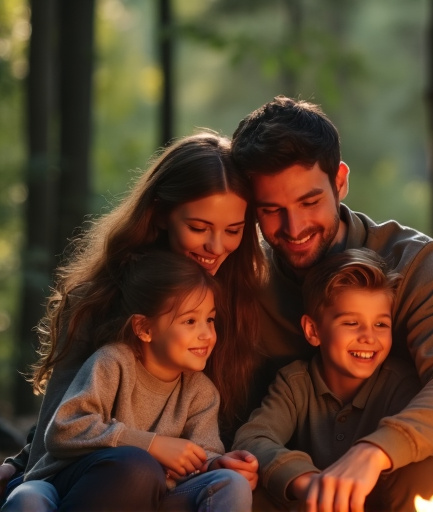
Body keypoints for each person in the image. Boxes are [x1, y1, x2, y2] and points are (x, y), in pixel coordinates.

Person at [230, 96, 433, 511]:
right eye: (272, 210)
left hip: (411, 474)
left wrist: (375, 451)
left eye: (310, 202)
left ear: (340, 181)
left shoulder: (414, 263)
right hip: (304, 491)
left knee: (423, 480)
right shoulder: (246, 281)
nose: (293, 229)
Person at [0, 131, 265, 511]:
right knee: (132, 468)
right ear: (160, 214)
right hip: (89, 478)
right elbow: (61, 422)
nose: (216, 246)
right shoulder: (100, 300)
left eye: (234, 230)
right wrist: (18, 465)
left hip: (169, 486)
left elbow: (206, 445)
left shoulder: (241, 305)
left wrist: (220, 463)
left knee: (223, 482)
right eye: (199, 227)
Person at [8, 251, 257, 512]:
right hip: (68, 484)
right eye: (190, 321)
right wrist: (151, 445)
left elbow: (203, 455)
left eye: (210, 319)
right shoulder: (114, 362)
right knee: (29, 499)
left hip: (152, 494)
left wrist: (219, 464)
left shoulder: (200, 391)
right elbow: (64, 430)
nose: (206, 334)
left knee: (232, 483)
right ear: (145, 329)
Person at [233, 248, 433, 511]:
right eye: (351, 323)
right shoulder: (295, 383)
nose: (369, 337)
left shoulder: (401, 384)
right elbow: (253, 439)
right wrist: (309, 481)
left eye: (381, 325)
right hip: (321, 505)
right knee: (246, 485)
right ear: (313, 331)